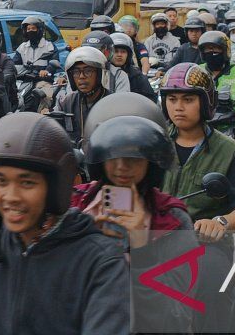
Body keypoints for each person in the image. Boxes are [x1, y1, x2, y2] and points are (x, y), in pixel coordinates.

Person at [0, 114, 131, 335]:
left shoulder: (100, 260)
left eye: (27, 182)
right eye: (1, 181)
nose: (11, 196)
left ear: (55, 187)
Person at [157, 64, 235, 333]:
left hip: (205, 245)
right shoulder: (153, 145)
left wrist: (220, 222)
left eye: (188, 99)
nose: (178, 107)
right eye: (172, 99)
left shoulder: (229, 150)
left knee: (206, 290)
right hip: (155, 238)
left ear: (205, 103)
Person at [75, 116, 197, 334]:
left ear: (151, 161)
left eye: (134, 157)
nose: (122, 167)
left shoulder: (172, 219)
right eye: (113, 155)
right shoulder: (75, 204)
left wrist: (142, 250)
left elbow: (177, 318)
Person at [53, 46, 112, 146]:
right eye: (76, 72)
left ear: (99, 74)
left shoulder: (112, 102)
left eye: (88, 71)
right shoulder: (66, 102)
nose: (81, 76)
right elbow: (54, 131)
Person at [198, 31, 235, 113]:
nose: (211, 52)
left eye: (215, 48)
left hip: (234, 122)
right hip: (202, 121)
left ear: (225, 50)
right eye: (208, 49)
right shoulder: (197, 71)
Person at [109, 31, 158, 101]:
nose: (119, 55)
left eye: (123, 52)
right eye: (116, 51)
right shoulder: (103, 72)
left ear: (128, 55)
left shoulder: (136, 75)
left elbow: (150, 100)